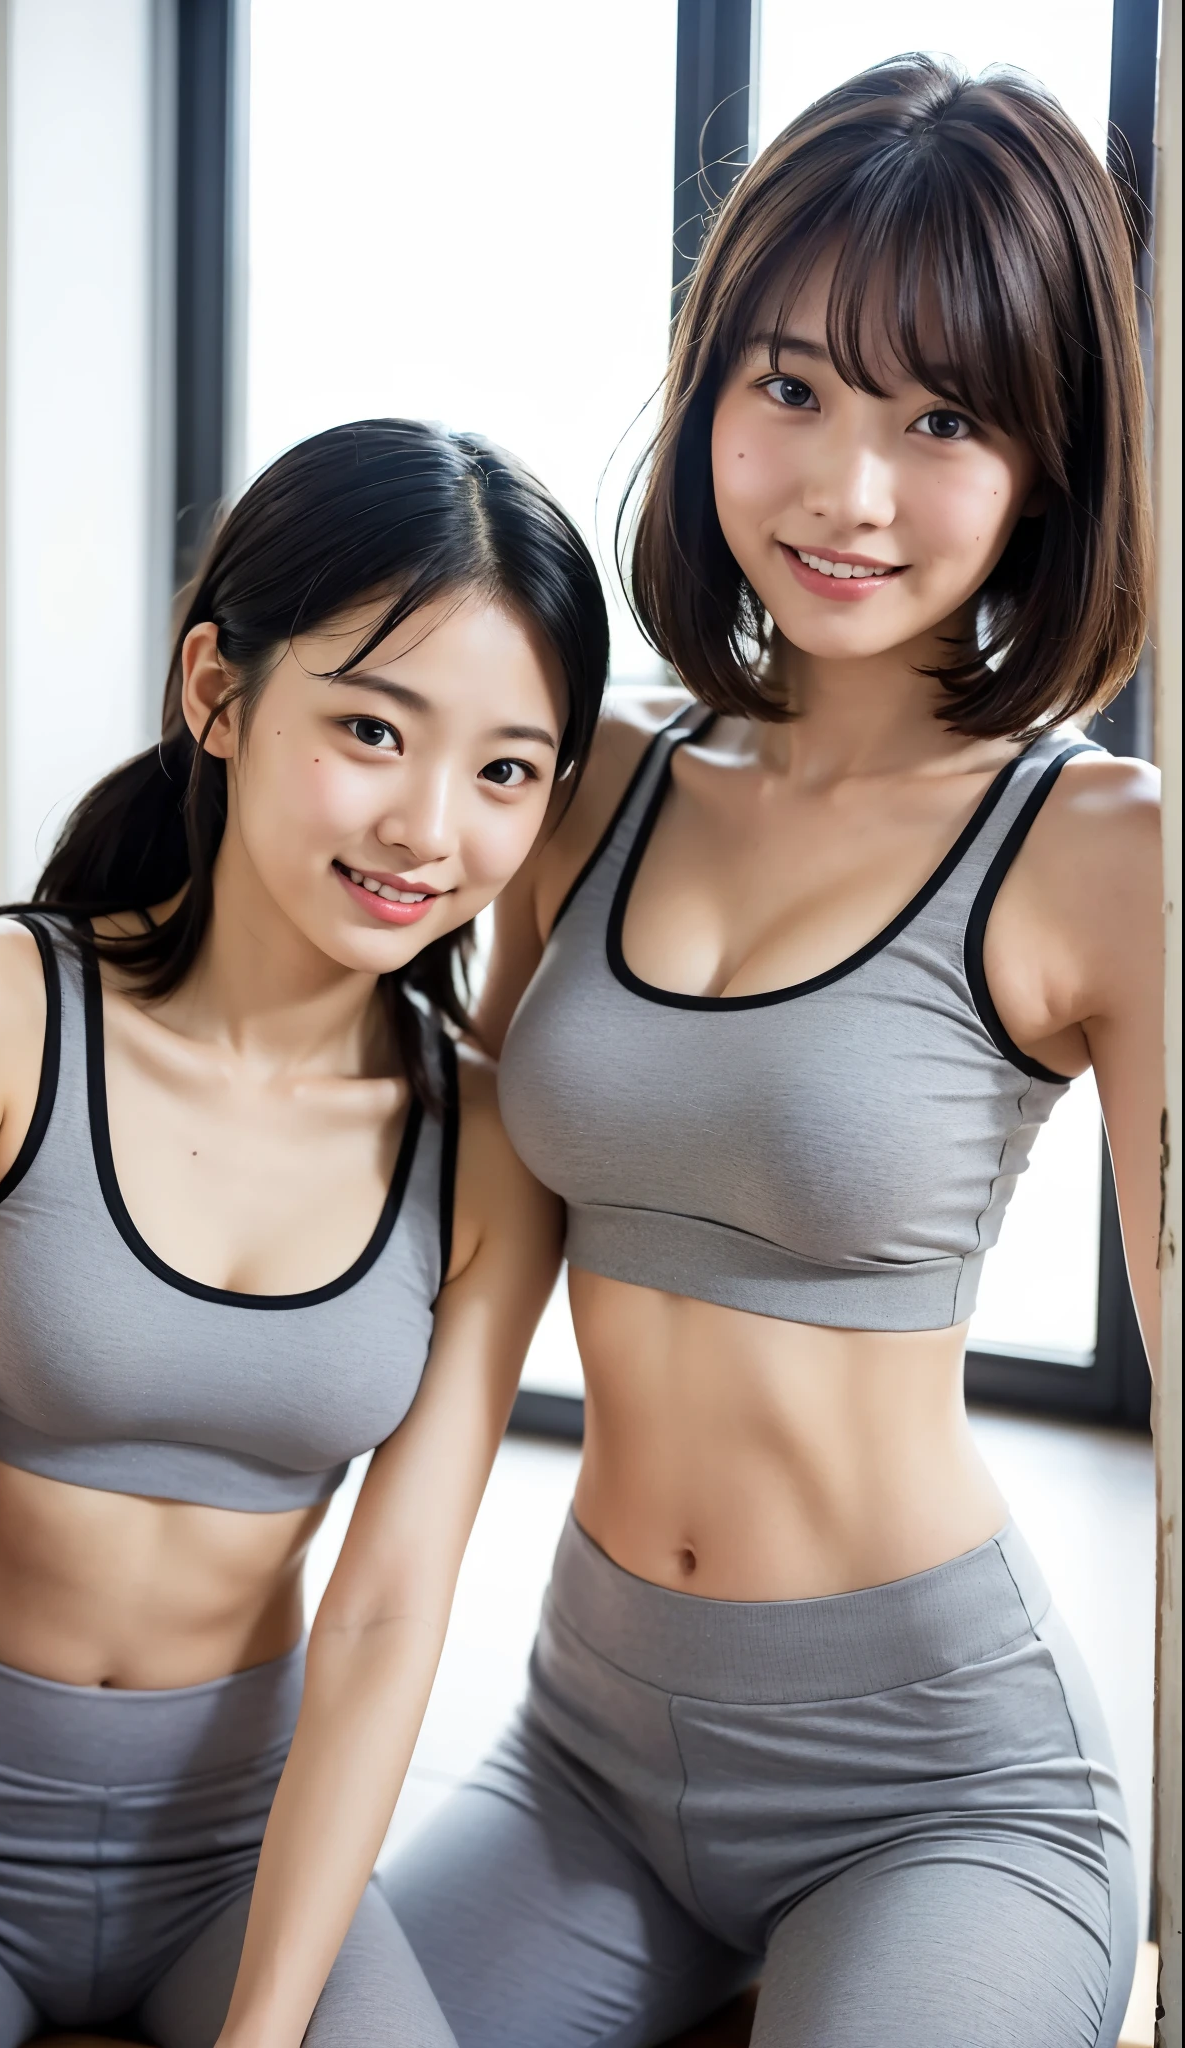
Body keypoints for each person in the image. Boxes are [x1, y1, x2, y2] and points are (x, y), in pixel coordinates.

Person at [384, 60, 1161, 2048]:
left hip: (941, 1790)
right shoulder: (595, 784)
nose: (846, 491)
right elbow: (458, 1324)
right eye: (791, 386)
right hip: (581, 1747)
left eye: (941, 418)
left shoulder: (1099, 856)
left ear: (1046, 467)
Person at [0, 417, 609, 2047]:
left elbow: (391, 1610)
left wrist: (264, 2029)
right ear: (218, 695)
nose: (427, 827)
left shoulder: (489, 1146)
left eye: (505, 770)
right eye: (374, 729)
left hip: (234, 1868)